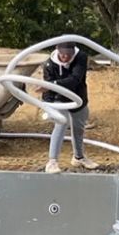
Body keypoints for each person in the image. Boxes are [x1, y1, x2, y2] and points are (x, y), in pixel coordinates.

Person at [41, 42, 95, 173]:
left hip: (78, 97)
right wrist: (48, 107)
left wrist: (52, 84)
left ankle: (79, 157)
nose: (65, 57)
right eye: (62, 54)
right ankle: (52, 162)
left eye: (68, 54)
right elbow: (48, 91)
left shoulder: (80, 57)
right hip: (58, 99)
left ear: (73, 52)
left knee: (79, 126)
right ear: (57, 50)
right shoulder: (49, 64)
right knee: (61, 122)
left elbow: (75, 79)